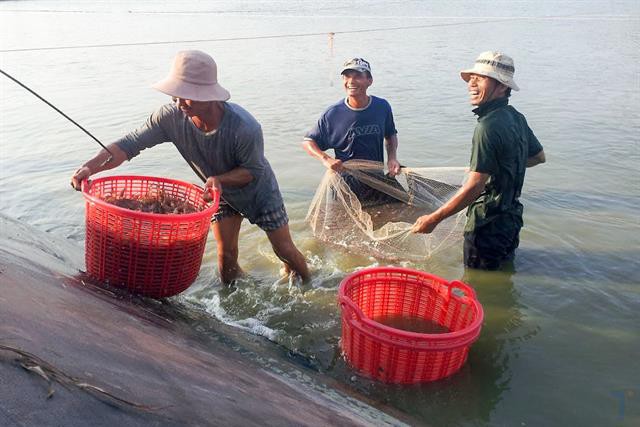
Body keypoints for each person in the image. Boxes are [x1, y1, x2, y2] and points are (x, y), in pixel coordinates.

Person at [71, 50, 309, 283]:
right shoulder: (170, 117)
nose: (178, 102)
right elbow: (129, 144)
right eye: (175, 94)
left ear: (210, 96)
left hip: (259, 192)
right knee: (225, 257)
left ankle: (310, 283)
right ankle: (235, 304)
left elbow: (253, 171)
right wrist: (89, 168)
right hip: (220, 195)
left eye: (187, 95)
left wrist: (220, 180)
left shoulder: (244, 128)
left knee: (284, 250)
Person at [411, 51, 546, 270]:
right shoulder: (516, 117)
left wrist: (434, 219)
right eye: (471, 77)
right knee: (503, 277)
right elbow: (538, 157)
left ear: (502, 86)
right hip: (511, 222)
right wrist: (499, 166)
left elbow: (474, 187)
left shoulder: (487, 127)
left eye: (480, 78)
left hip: (486, 225)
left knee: (475, 289)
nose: (471, 83)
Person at [302, 57, 401, 202]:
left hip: (377, 180)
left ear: (370, 80)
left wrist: (392, 157)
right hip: (346, 185)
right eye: (347, 76)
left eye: (358, 76)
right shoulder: (333, 114)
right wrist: (326, 159)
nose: (351, 81)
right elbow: (308, 142)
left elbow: (390, 134)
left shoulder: (382, 106)